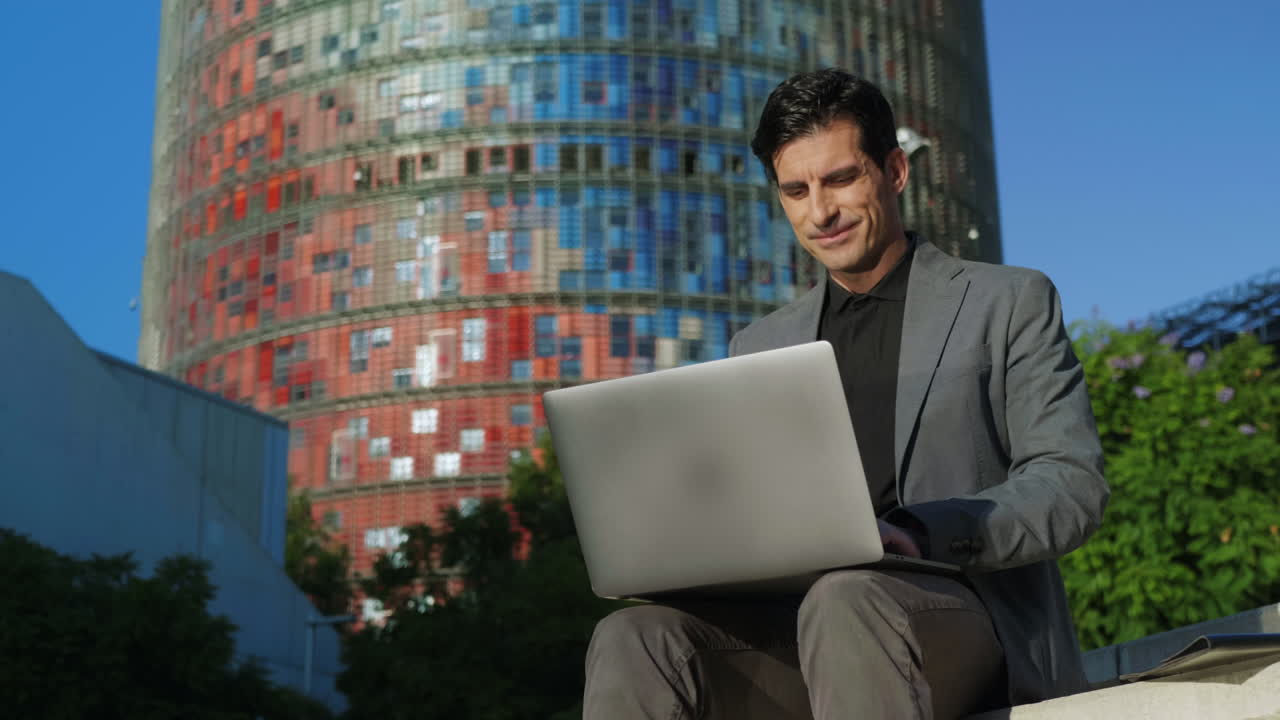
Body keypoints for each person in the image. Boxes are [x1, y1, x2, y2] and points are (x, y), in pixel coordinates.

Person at [581, 68, 1109, 720]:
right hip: (800, 632)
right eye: (795, 190)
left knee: (847, 598)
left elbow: (1071, 484)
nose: (819, 212)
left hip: (965, 620)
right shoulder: (758, 347)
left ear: (894, 171)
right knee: (636, 637)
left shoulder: (1006, 302)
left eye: (840, 179)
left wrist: (923, 530)